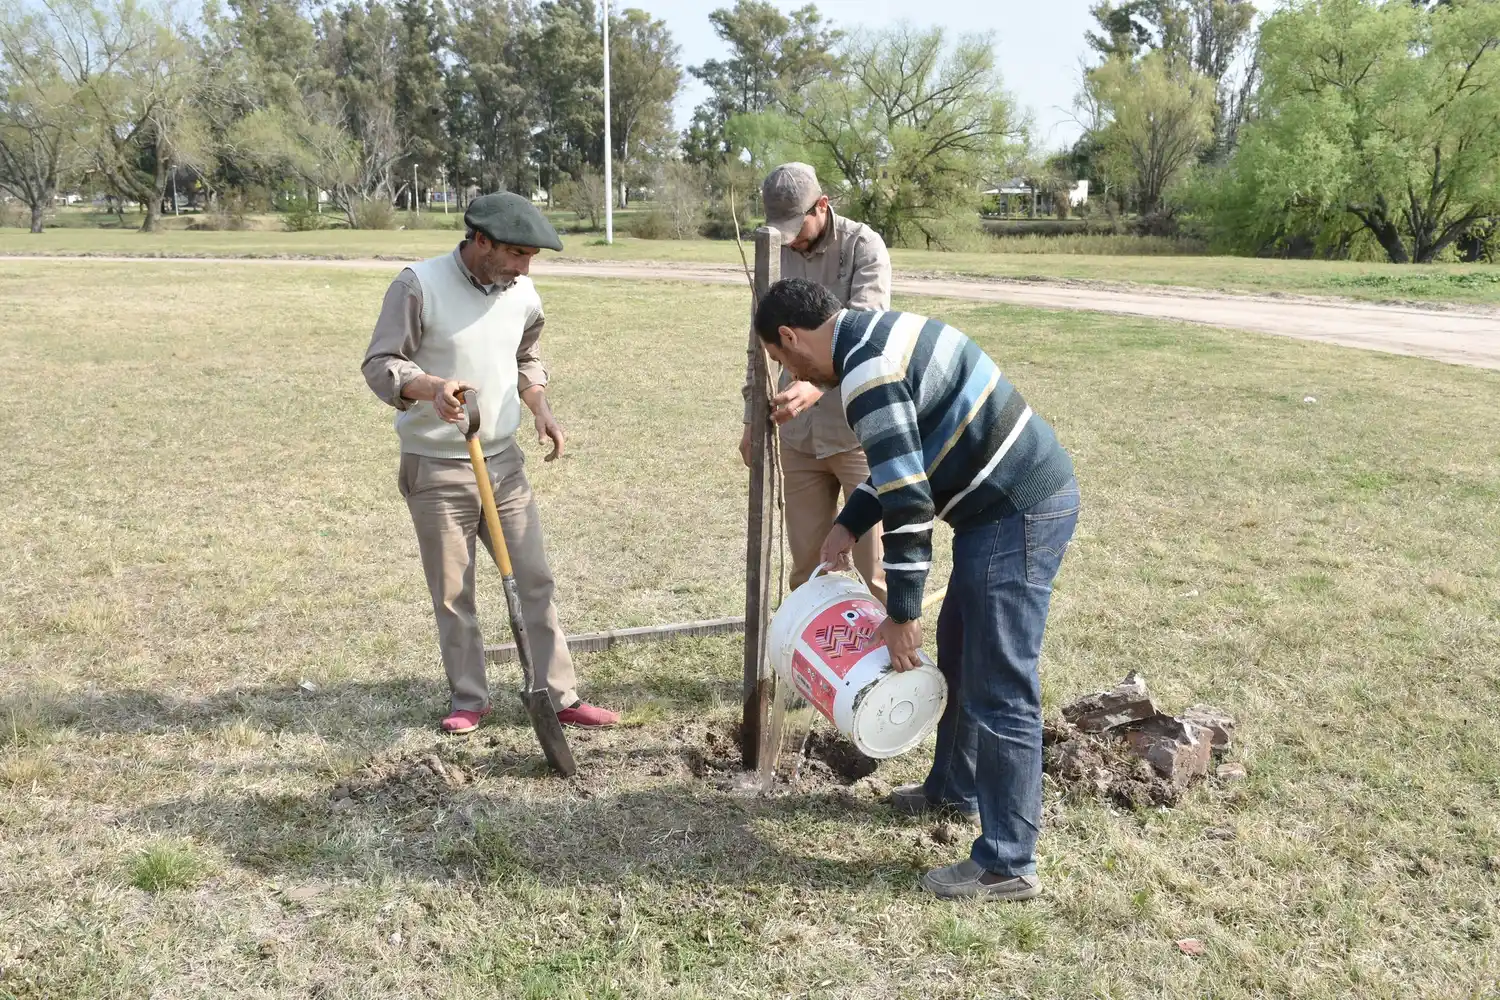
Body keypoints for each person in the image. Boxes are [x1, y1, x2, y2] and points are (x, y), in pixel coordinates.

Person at [751, 278, 1080, 902]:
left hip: (1018, 512)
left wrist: (901, 613)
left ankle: (1008, 862)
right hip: (997, 512)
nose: (788, 370)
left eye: (780, 359)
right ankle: (951, 790)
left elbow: (908, 503)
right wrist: (849, 523)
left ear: (790, 339)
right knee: (958, 653)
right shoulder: (876, 335)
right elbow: (909, 455)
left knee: (1000, 684)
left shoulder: (866, 372)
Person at [361, 192, 619, 736]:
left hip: (503, 462)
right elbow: (381, 362)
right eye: (518, 254)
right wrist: (431, 388)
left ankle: (560, 694)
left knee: (534, 579)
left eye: (531, 258)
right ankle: (470, 697)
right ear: (482, 241)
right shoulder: (417, 285)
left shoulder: (522, 292)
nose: (526, 268)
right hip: (435, 466)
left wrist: (542, 408)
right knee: (455, 592)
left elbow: (526, 355)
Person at [740, 162, 892, 604]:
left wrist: (815, 386)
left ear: (822, 205)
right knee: (808, 571)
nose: (789, 239)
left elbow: (867, 332)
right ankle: (814, 665)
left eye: (796, 226)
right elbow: (760, 343)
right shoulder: (774, 249)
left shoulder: (864, 247)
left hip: (856, 432)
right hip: (799, 437)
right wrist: (753, 419)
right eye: (779, 229)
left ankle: (890, 669)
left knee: (876, 573)